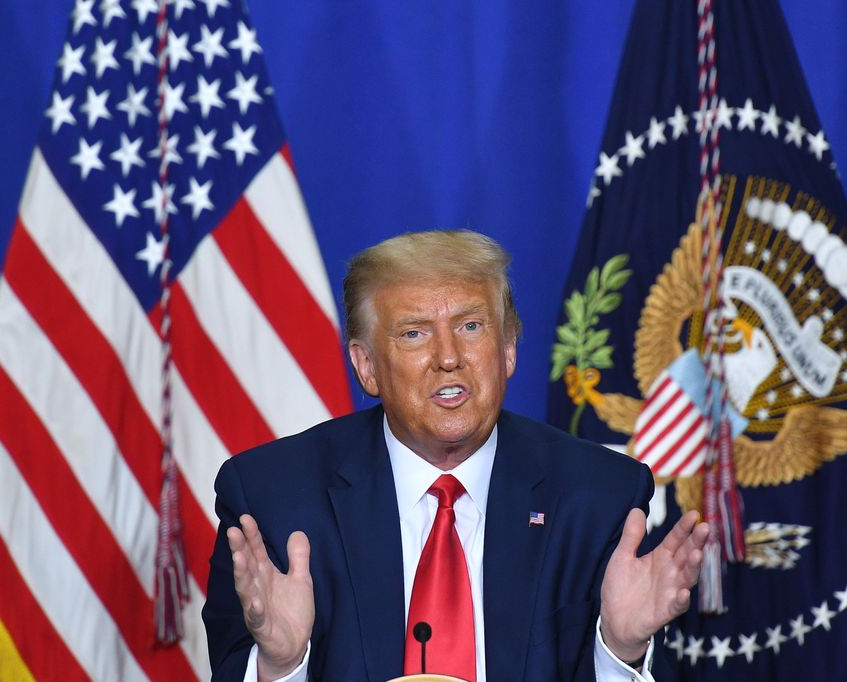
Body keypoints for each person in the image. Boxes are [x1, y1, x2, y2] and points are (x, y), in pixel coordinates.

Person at [202, 230, 708, 681]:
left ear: (508, 348)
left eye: (471, 326)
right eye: (414, 333)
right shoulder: (272, 499)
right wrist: (281, 667)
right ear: (367, 367)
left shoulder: (601, 497)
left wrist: (618, 651)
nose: (449, 357)